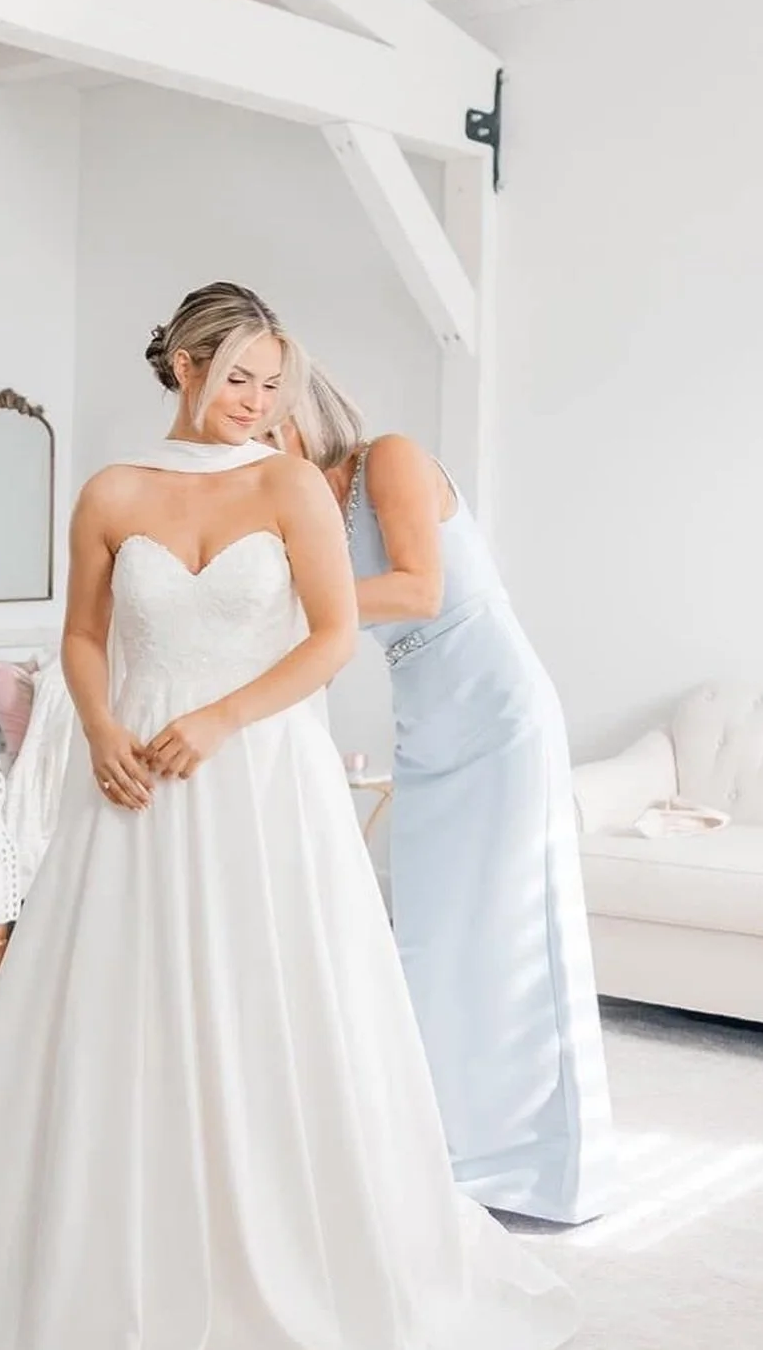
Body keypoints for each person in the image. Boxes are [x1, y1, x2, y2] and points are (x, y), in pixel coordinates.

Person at [0, 283, 578, 1350]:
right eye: (238, 380)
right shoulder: (112, 489)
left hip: (260, 773)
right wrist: (99, 726)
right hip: (130, 773)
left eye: (273, 385)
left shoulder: (292, 485)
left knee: (272, 995)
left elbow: (328, 636)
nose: (257, 402)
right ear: (183, 366)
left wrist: (220, 719)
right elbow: (82, 636)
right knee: (114, 1000)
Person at [279, 363, 615, 1228]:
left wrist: (305, 604)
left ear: (303, 413)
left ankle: (543, 1169)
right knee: (433, 941)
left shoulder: (388, 456)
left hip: (499, 717)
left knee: (511, 937)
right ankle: (450, 1151)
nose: (257, 446)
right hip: (424, 728)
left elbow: (418, 588)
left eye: (267, 423)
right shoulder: (304, 514)